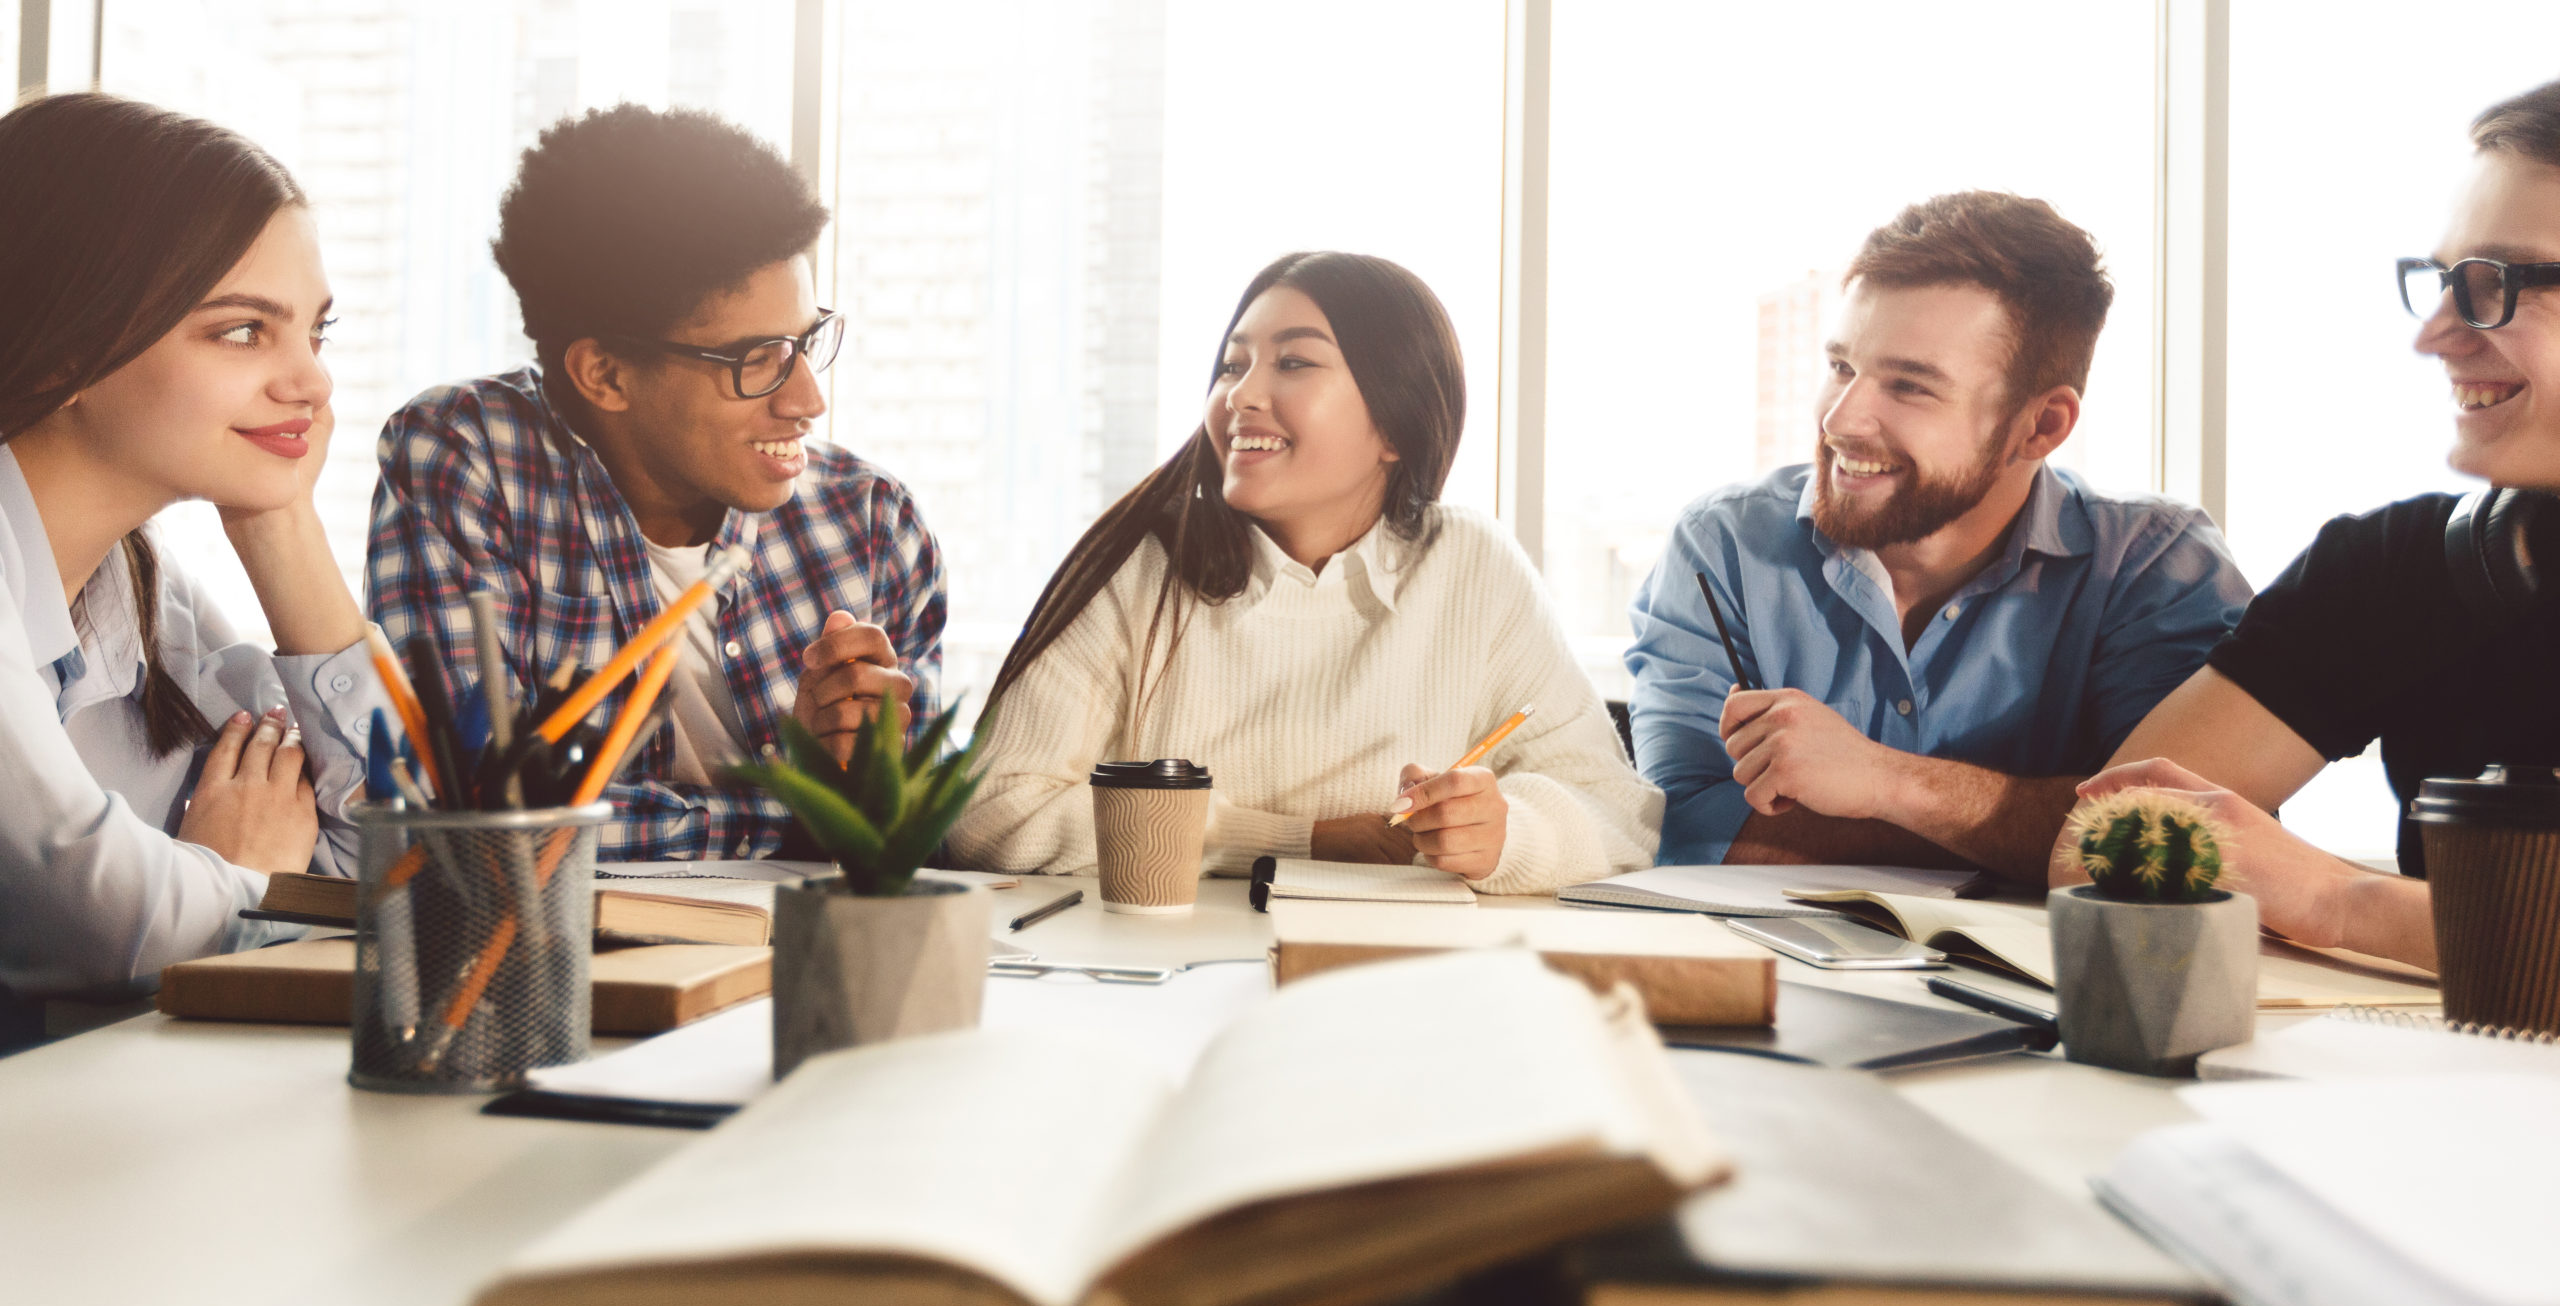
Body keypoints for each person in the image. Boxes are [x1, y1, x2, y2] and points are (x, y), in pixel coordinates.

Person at [947, 252, 1659, 891]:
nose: (1240, 396)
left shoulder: (1470, 564)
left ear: (1394, 425)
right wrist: (1294, 842)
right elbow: (988, 810)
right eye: (1233, 366)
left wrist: (1507, 834)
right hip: (1155, 981)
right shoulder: (1141, 566)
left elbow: (1616, 812)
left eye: (1293, 363)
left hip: (1393, 981)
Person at [367, 104, 946, 863]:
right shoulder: (467, 458)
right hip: (557, 967)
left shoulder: (870, 522)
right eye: (758, 358)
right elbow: (475, 818)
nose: (808, 399)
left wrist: (856, 781)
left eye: (806, 342)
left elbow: (918, 830)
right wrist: (800, 807)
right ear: (604, 374)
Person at [2069, 79, 2560, 969]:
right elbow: (2095, 844)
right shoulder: (2393, 572)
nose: (2434, 335)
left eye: (2494, 285)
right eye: (2442, 282)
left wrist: (2344, 902)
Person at [1624, 192, 2251, 882]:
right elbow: (1680, 827)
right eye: (1841, 367)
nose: (1842, 420)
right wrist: (2042, 837)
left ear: (2041, 426)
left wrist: (1889, 784)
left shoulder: (2154, 566)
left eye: (1910, 387)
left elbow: (2195, 843)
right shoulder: (1724, 547)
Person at [0, 94, 384, 1045]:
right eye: (245, 331)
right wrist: (243, 871)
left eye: (315, 333)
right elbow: (100, 923)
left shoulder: (133, 583)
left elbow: (421, 860)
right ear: (66, 349)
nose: (313, 382)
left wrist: (280, 524)